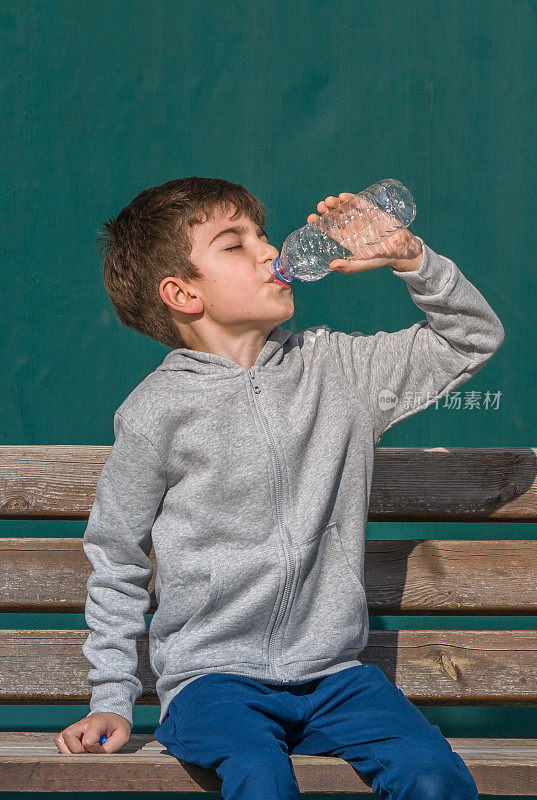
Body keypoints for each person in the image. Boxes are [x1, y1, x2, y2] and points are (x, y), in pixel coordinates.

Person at [55, 177, 503, 799]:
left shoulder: (340, 372)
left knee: (433, 775)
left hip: (337, 679)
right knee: (261, 778)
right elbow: (117, 557)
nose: (269, 252)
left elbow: (472, 338)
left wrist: (414, 261)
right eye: (234, 245)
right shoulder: (155, 411)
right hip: (211, 685)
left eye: (263, 236)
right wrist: (112, 699)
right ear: (182, 293)